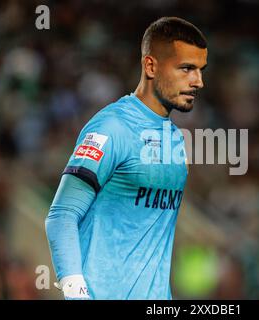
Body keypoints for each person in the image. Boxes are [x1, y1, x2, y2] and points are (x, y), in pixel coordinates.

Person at [45, 16, 208, 300]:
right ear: (150, 66)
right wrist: (77, 294)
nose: (199, 81)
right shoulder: (112, 127)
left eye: (200, 70)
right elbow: (61, 216)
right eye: (186, 69)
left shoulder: (175, 141)